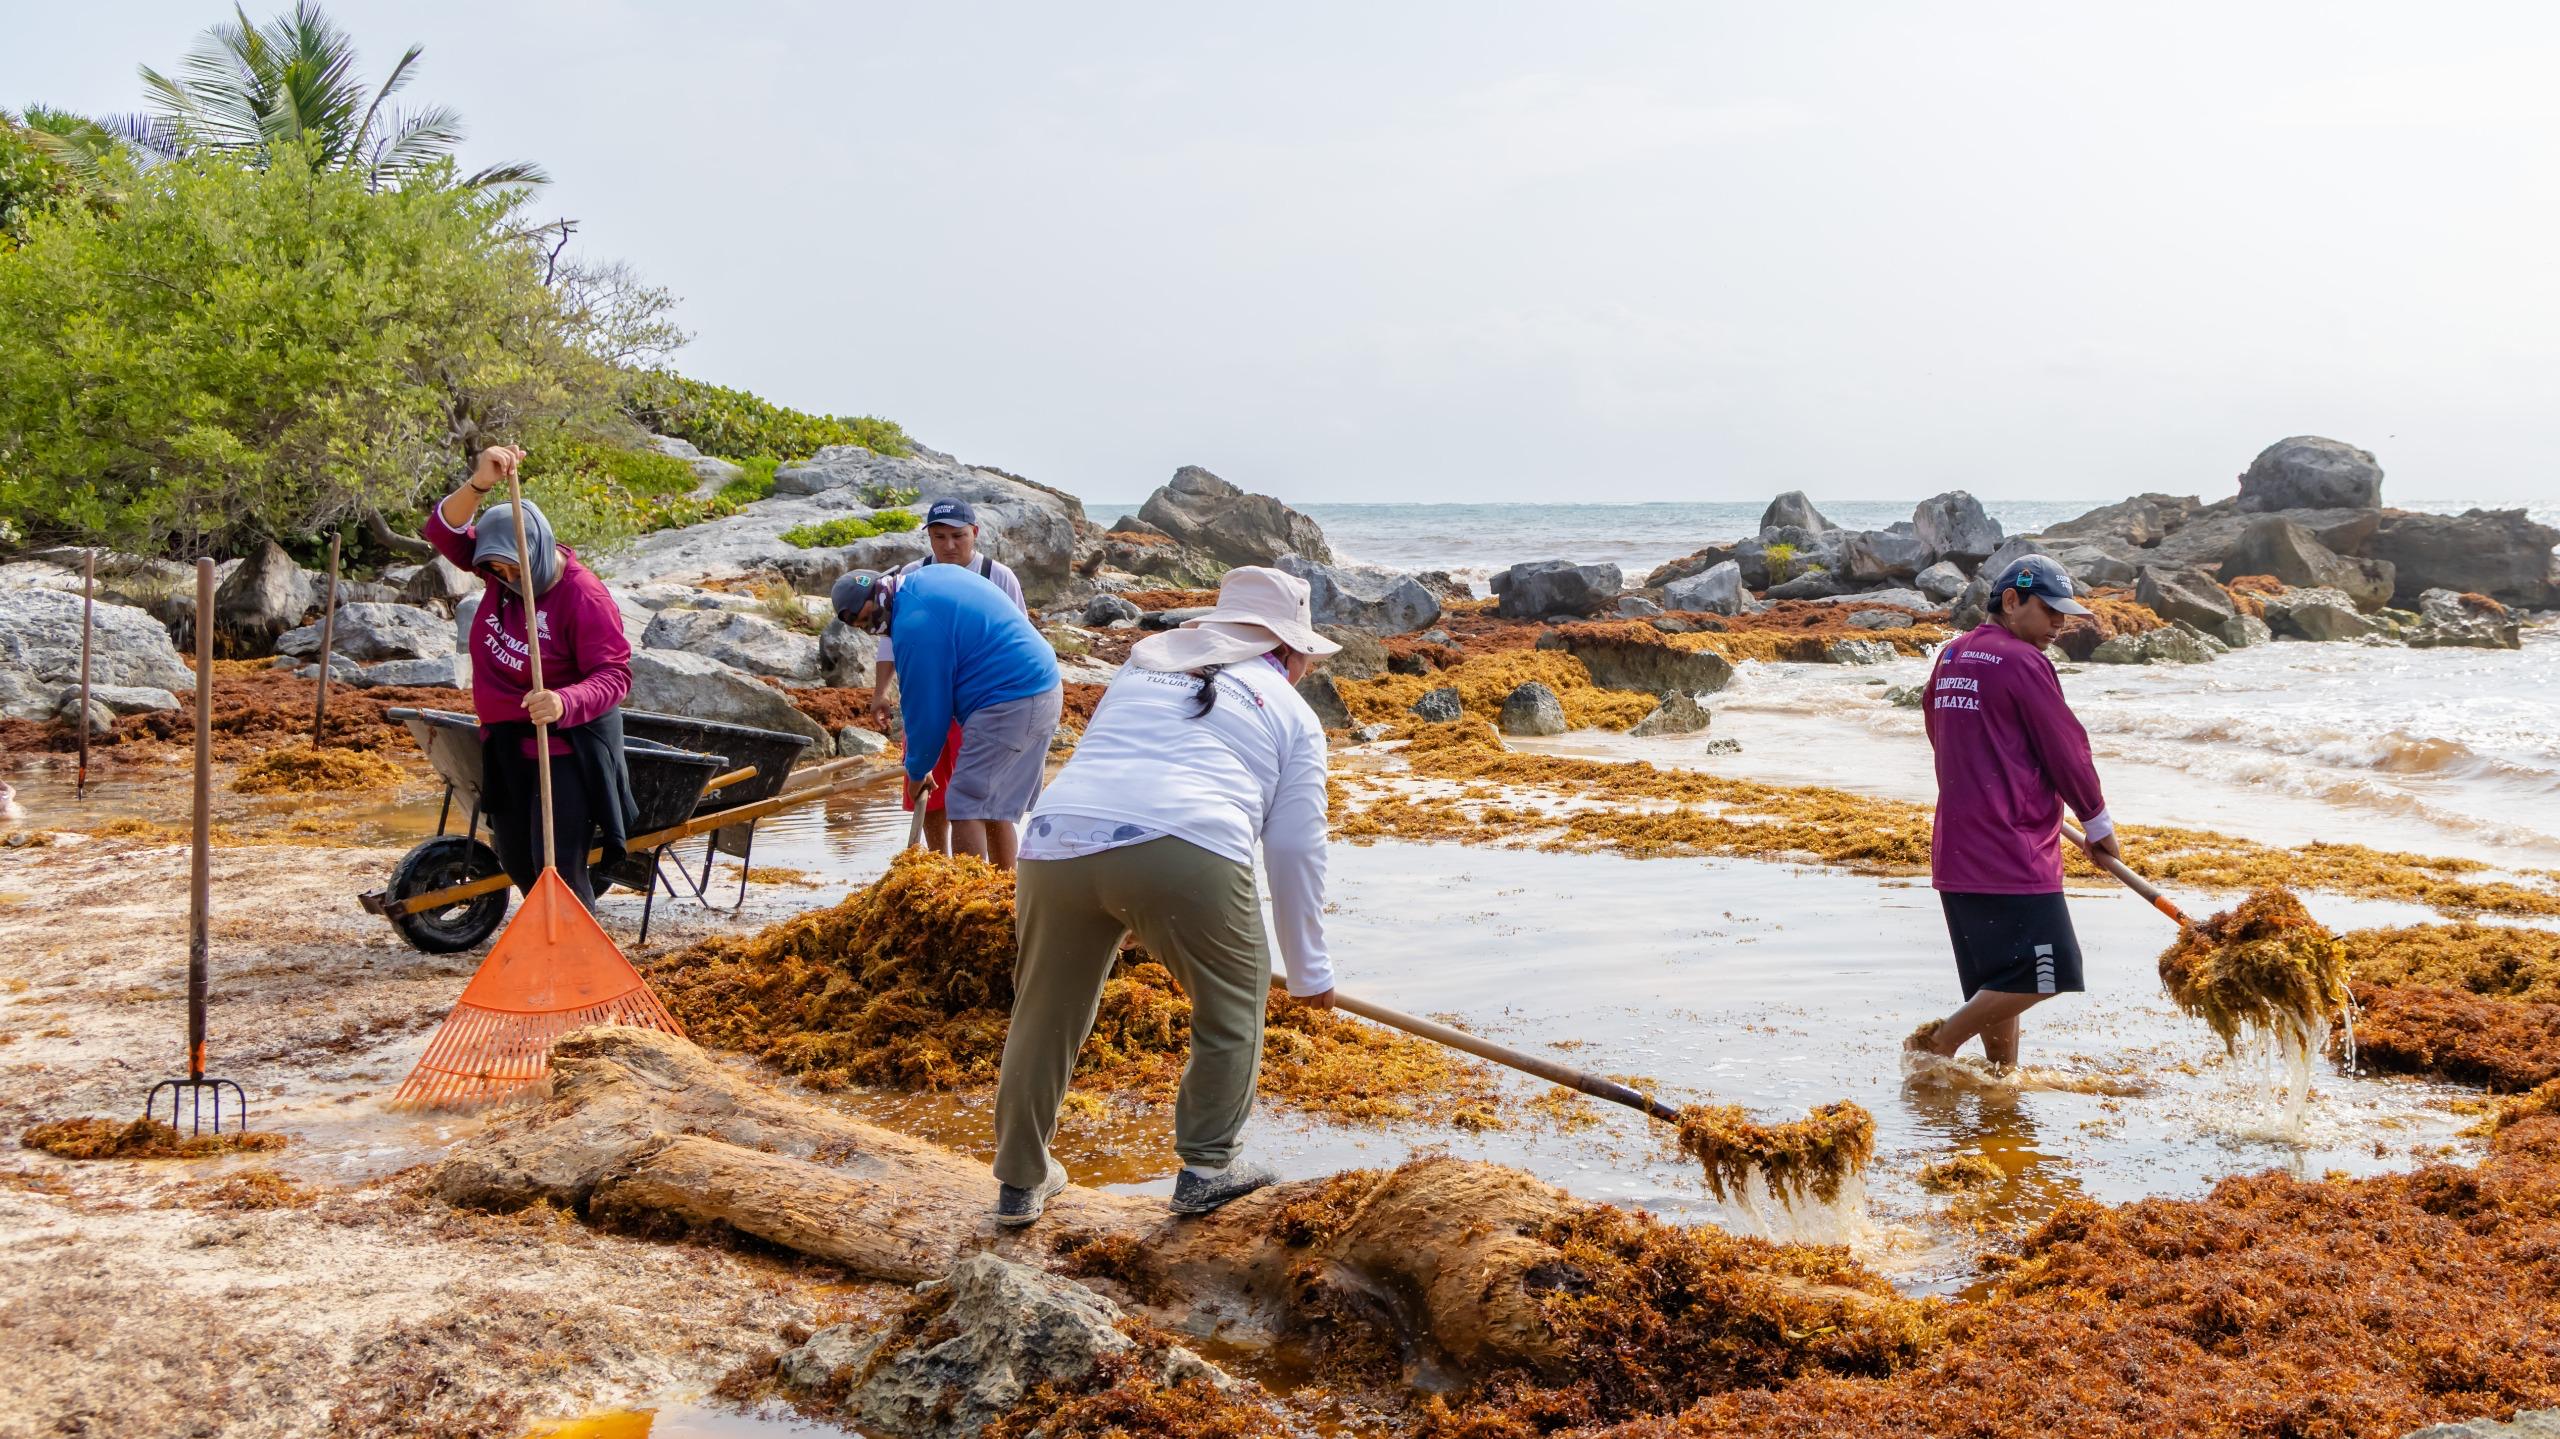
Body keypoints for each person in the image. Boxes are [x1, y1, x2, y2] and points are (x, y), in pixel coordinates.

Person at [987, 566, 1340, 1226]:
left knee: (1045, 1008)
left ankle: (1018, 1180)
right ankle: (1208, 1167)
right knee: (1237, 995)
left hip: (1056, 839)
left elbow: (1120, 775)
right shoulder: (1291, 711)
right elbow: (1294, 849)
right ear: (1289, 652)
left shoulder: (1141, 671)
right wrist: (1310, 969)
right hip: (1186, 841)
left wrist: (1118, 903)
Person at [1910, 554, 2119, 1068]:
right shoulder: (2026, 662)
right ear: (2010, 600)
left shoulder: (1952, 656)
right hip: (2011, 851)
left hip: (1957, 851)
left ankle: (2001, 1079)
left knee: (1998, 979)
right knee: (2049, 972)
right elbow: (2067, 749)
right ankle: (1937, 1044)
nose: (2059, 624)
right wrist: (2097, 822)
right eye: (2049, 610)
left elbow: (1940, 733)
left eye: (2064, 613)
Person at [424, 444, 639, 912]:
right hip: (506, 742)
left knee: (556, 866)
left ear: (537, 551)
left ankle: (581, 968)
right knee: (518, 859)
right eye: (495, 569)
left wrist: (564, 701)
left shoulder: (584, 597)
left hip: (564, 746)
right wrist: (481, 482)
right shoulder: (499, 573)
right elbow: (442, 531)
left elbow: (616, 675)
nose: (505, 578)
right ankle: (553, 951)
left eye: (512, 568)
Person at [832, 564, 1060, 869]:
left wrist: (917, 770)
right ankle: (1006, 897)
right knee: (995, 807)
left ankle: (970, 901)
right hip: (1043, 687)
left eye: (864, 619)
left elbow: (927, 710)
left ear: (877, 595)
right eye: (859, 627)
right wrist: (920, 764)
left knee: (964, 803)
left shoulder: (912, 625)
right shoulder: (925, 579)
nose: (869, 628)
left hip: (1010, 699)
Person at [871, 500, 1029, 855]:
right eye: (939, 537)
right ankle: (939, 864)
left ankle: (1002, 884)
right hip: (929, 695)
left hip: (978, 702)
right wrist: (881, 691)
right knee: (930, 789)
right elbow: (890, 641)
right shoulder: (913, 573)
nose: (949, 546)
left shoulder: (997, 575)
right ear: (929, 537)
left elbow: (1019, 637)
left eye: (958, 536)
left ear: (975, 533)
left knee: (986, 801)